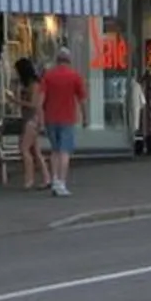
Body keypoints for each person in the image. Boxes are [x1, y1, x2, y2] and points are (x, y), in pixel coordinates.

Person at [39, 48, 88, 196]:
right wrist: (85, 118)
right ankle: (61, 182)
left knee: (55, 150)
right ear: (69, 60)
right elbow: (82, 100)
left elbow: (40, 100)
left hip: (50, 118)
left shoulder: (48, 76)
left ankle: (54, 180)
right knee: (64, 152)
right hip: (67, 118)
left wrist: (40, 118)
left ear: (57, 60)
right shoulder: (75, 76)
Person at [12, 57, 51, 191]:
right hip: (29, 119)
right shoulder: (27, 84)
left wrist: (16, 101)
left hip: (32, 119)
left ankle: (29, 179)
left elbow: (34, 104)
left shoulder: (34, 85)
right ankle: (46, 178)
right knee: (35, 151)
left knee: (24, 149)